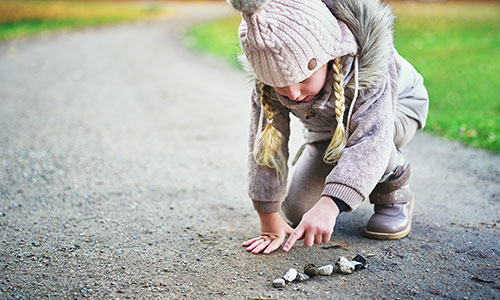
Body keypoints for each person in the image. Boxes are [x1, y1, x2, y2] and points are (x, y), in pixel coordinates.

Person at [228, 0, 429, 254]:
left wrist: (331, 204)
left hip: (397, 111)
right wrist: (269, 218)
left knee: (366, 147)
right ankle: (339, 162)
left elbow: (371, 138)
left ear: (328, 56)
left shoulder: (367, 64)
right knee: (298, 210)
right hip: (331, 130)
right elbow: (266, 146)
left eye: (303, 78)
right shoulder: (268, 84)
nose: (293, 93)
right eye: (280, 84)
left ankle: (394, 182)